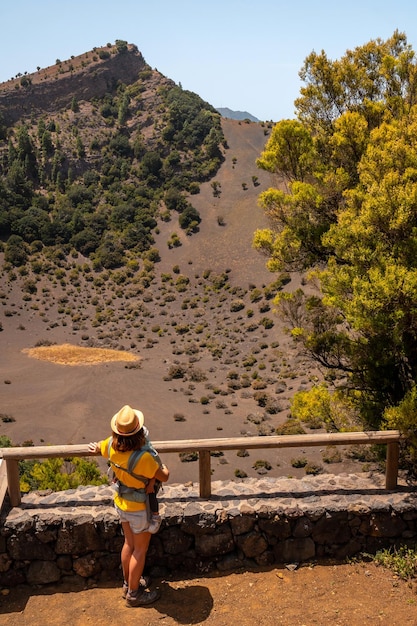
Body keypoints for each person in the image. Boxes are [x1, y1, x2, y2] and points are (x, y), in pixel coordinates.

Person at [88, 404, 169, 608]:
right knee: (140, 550)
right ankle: (134, 594)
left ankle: (128, 583)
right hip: (139, 507)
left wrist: (96, 448)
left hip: (121, 503)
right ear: (139, 431)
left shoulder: (110, 446)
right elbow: (164, 476)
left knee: (129, 544)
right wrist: (163, 466)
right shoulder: (144, 457)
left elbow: (100, 447)